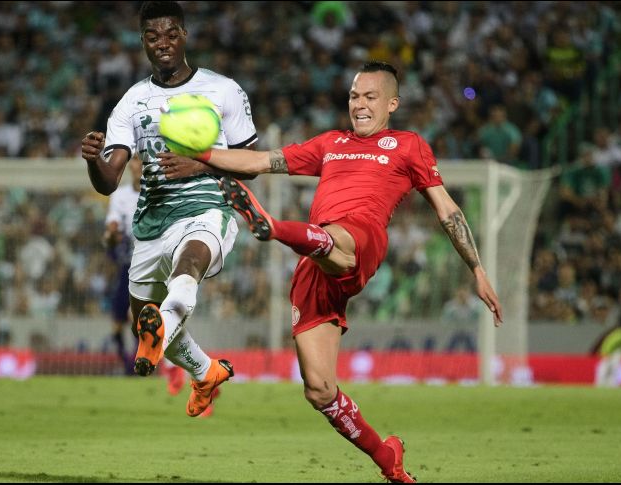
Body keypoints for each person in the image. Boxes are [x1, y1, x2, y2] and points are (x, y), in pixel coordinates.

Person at [159, 61, 503, 483]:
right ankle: (388, 459)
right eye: (355, 96)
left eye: (370, 97)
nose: (359, 104)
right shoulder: (330, 144)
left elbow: (447, 210)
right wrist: (204, 156)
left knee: (339, 239)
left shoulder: (409, 146)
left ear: (391, 103)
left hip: (360, 242)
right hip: (315, 261)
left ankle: (273, 227)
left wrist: (478, 270)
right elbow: (259, 162)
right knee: (319, 389)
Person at [81, 1, 257, 417]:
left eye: (171, 33)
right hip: (152, 218)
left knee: (190, 262)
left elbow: (251, 163)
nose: (163, 43)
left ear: (184, 35)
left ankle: (158, 338)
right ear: (143, 41)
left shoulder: (222, 89)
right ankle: (206, 371)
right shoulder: (131, 101)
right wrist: (92, 160)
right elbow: (109, 182)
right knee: (144, 318)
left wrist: (200, 162)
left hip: (209, 205)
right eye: (153, 36)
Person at [103, 155, 186, 395]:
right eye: (136, 161)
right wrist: (111, 236)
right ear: (131, 165)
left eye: (144, 161)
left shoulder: (164, 193)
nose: (139, 166)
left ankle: (167, 367)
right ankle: (153, 365)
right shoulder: (120, 196)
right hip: (129, 266)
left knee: (145, 318)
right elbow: (111, 230)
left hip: (160, 263)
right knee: (125, 322)